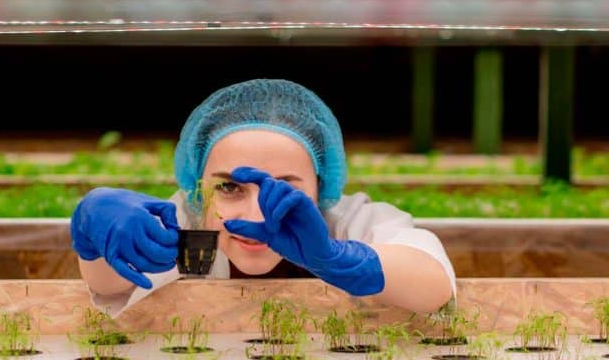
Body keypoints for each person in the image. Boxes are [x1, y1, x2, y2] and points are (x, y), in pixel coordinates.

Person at [71, 79, 455, 318]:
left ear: (321, 189)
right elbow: (109, 288)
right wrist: (92, 234)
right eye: (229, 188)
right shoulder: (182, 225)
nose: (256, 214)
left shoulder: (347, 223)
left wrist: (335, 259)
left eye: (283, 190)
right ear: (197, 187)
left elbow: (433, 284)